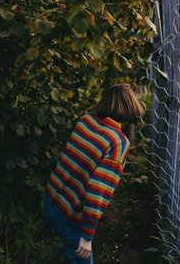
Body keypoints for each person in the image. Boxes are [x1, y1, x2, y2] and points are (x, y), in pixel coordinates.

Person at [43, 83, 145, 263]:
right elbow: (98, 190)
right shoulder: (117, 142)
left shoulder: (86, 120)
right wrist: (87, 237)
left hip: (51, 199)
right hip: (69, 214)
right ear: (130, 107)